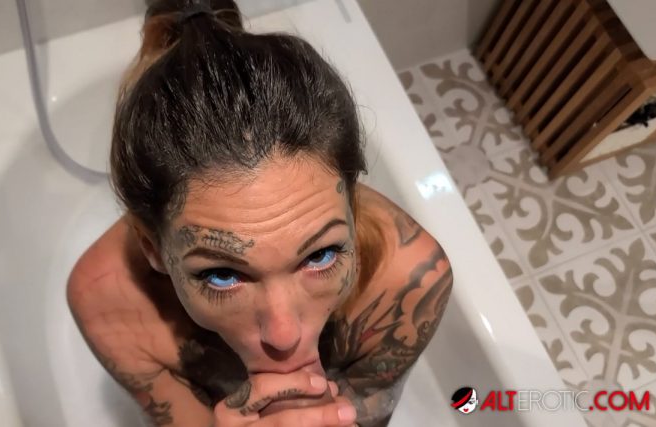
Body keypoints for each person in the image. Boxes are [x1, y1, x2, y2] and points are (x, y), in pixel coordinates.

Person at [66, 0, 453, 426]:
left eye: (320, 255)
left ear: (353, 205)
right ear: (152, 249)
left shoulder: (409, 279)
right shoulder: (107, 302)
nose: (284, 335)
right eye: (222, 275)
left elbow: (372, 411)